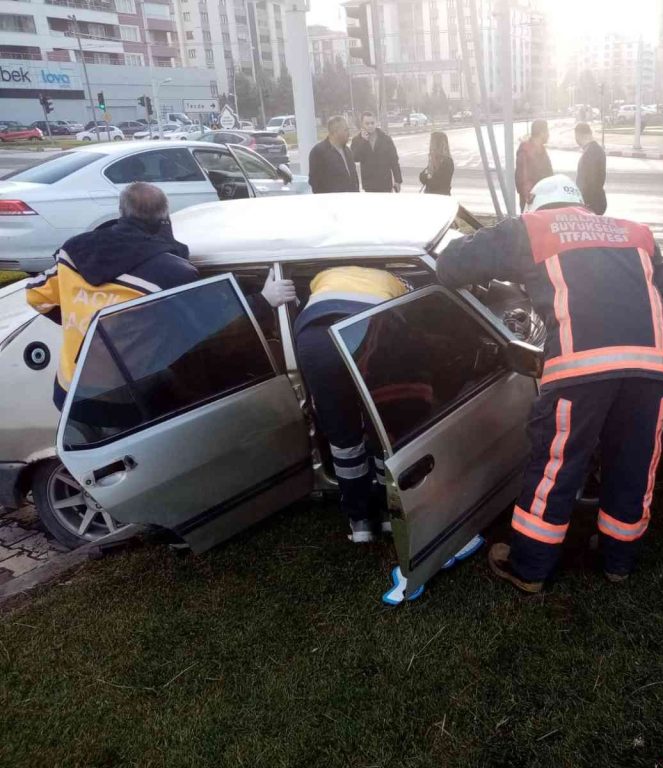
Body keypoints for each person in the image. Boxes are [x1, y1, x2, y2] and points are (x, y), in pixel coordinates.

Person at [436, 175, 663, 592]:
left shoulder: (531, 227)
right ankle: (617, 561)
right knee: (634, 465)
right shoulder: (636, 232)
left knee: (557, 467)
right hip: (650, 371)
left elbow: (451, 266)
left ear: (536, 204)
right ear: (583, 204)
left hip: (579, 370)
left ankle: (530, 567)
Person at [25, 182, 294, 409]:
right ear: (165, 216)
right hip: (125, 399)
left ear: (121, 212)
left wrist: (83, 321)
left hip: (69, 392)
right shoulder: (170, 273)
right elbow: (214, 324)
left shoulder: (75, 252)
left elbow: (36, 297)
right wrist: (264, 300)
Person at [293, 267, 410, 543]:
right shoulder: (395, 282)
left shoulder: (323, 276)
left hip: (316, 339)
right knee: (382, 428)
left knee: (343, 438)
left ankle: (360, 522)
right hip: (372, 326)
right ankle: (389, 512)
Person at [351, 111, 402, 193]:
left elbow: (394, 160)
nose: (370, 126)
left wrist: (398, 180)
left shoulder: (385, 139)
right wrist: (363, 141)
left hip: (385, 184)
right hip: (369, 185)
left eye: (372, 123)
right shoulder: (357, 140)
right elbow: (355, 158)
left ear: (376, 122)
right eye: (367, 123)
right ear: (362, 124)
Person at [308, 115, 359, 194]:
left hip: (351, 199)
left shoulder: (347, 151)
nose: (349, 133)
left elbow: (354, 178)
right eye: (346, 130)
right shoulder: (318, 152)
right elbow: (314, 182)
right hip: (331, 200)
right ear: (335, 132)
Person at [514, 119, 553, 212]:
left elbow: (549, 173)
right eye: (547, 131)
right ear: (541, 133)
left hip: (543, 198)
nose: (548, 135)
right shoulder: (525, 149)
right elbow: (522, 175)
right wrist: (528, 195)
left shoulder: (542, 150)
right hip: (531, 199)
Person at [574, 122, 607, 215]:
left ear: (579, 135)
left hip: (591, 203)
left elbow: (590, 182)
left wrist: (584, 202)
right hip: (596, 201)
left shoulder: (590, 152)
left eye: (575, 136)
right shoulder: (595, 149)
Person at [418, 131, 454, 195]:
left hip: (441, 197)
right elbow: (422, 177)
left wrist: (428, 176)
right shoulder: (433, 160)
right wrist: (428, 175)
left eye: (432, 143)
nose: (430, 146)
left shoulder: (447, 161)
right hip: (430, 196)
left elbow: (436, 183)